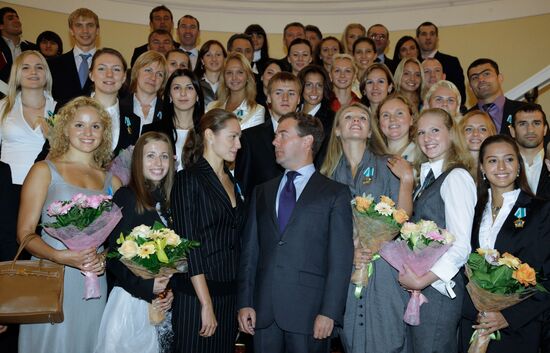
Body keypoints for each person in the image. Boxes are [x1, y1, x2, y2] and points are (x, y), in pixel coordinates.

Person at [237, 111, 354, 353]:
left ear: (307, 141)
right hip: (263, 313)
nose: (274, 141)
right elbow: (250, 253)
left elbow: (340, 259)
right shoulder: (262, 192)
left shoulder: (334, 193)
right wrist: (245, 302)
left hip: (310, 315)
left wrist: (329, 311)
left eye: (282, 135)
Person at [17, 96, 122, 353]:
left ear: (104, 132)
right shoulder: (43, 170)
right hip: (52, 277)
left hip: (93, 282)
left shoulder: (114, 182)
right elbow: (25, 234)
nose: (88, 132)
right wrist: (61, 256)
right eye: (79, 125)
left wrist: (105, 257)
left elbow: (119, 242)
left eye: (96, 126)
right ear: (65, 128)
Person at [320, 102, 414, 353]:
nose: (356, 120)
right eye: (348, 117)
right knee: (353, 340)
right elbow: (322, 228)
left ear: (371, 131)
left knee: (390, 339)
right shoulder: (327, 173)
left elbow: (402, 216)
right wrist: (350, 249)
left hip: (383, 265)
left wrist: (372, 245)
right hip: (347, 267)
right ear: (337, 130)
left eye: (363, 117)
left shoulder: (388, 164)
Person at [460, 135, 550, 353]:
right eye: (492, 160)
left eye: (509, 159)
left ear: (518, 165)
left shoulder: (541, 210)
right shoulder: (471, 210)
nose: (501, 167)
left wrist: (507, 317)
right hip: (473, 322)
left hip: (518, 328)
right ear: (482, 167)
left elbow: (546, 277)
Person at [401, 108, 476, 353]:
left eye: (435, 130)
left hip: (440, 291)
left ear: (451, 133)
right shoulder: (428, 178)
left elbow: (461, 246)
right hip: (422, 290)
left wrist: (421, 279)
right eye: (421, 132)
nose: (427, 138)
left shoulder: (456, 177)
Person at [171, 108, 244, 353]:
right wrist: (206, 303)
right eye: (233, 137)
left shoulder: (233, 181)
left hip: (228, 294)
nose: (239, 144)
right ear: (210, 136)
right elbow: (188, 244)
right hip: (197, 296)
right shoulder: (188, 179)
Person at [95, 132, 175, 353]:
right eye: (150, 156)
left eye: (164, 156)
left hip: (159, 304)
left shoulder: (171, 201)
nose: (158, 163)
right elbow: (113, 257)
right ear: (138, 160)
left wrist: (167, 292)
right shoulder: (126, 196)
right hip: (129, 303)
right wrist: (148, 288)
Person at [235, 72, 301, 198]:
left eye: (291, 93)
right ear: (269, 97)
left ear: (299, 99)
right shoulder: (250, 138)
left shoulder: (308, 135)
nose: (285, 98)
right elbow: (243, 187)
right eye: (278, 93)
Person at [0, 50, 56, 187]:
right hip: (6, 186)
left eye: (39, 67)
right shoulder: (2, 107)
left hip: (48, 186)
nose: (33, 72)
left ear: (46, 74)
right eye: (25, 67)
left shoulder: (59, 109)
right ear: (16, 74)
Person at [144, 69, 204, 171]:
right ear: (169, 96)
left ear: (197, 95)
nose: (183, 93)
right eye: (177, 88)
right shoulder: (152, 131)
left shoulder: (208, 131)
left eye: (189, 88)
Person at [88, 48, 140, 155]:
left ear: (124, 77)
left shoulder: (133, 120)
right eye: (102, 68)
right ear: (91, 75)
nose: (109, 75)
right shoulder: (72, 111)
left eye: (116, 69)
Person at [48, 8, 99, 105]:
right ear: (71, 31)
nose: (85, 31)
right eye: (79, 25)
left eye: (90, 25)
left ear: (97, 30)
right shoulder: (52, 64)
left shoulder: (108, 65)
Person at [466, 58, 526, 136]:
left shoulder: (524, 110)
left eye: (486, 74)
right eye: (474, 78)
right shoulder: (464, 119)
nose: (481, 80)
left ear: (500, 78)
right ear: (470, 87)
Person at [207, 52, 264, 130]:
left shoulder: (257, 110)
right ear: (224, 77)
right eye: (229, 73)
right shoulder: (211, 107)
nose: (234, 78)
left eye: (240, 72)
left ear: (248, 76)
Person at [416, 21, 466, 107]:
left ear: (437, 38)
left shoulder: (451, 62)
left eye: (432, 34)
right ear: (417, 39)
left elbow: (460, 95)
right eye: (424, 34)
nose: (428, 37)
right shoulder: (414, 64)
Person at [509, 103, 550, 198]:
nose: (530, 130)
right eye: (523, 124)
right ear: (512, 131)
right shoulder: (503, 166)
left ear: (545, 129)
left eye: (536, 123)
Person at [121, 51, 166, 133]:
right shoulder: (119, 107)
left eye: (159, 74)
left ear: (163, 81)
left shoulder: (169, 111)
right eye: (148, 70)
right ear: (136, 72)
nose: (153, 78)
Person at [298, 64, 334, 165]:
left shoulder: (333, 120)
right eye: (309, 85)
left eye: (319, 85)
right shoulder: (292, 114)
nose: (314, 91)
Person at [377, 93, 417, 161]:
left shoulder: (421, 156)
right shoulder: (372, 156)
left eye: (399, 113)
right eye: (386, 115)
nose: (392, 119)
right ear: (379, 123)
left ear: (411, 120)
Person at [0, 7, 35, 83]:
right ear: (1, 26)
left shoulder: (33, 48)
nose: (17, 21)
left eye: (17, 17)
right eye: (10, 18)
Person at [457, 110, 496, 175]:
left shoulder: (499, 168)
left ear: (491, 134)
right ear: (460, 133)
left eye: (482, 129)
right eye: (469, 129)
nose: (475, 133)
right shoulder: (451, 167)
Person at [193, 40, 226, 108]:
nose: (214, 59)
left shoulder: (231, 83)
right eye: (208, 55)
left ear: (224, 58)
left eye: (218, 54)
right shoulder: (194, 83)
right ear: (202, 60)